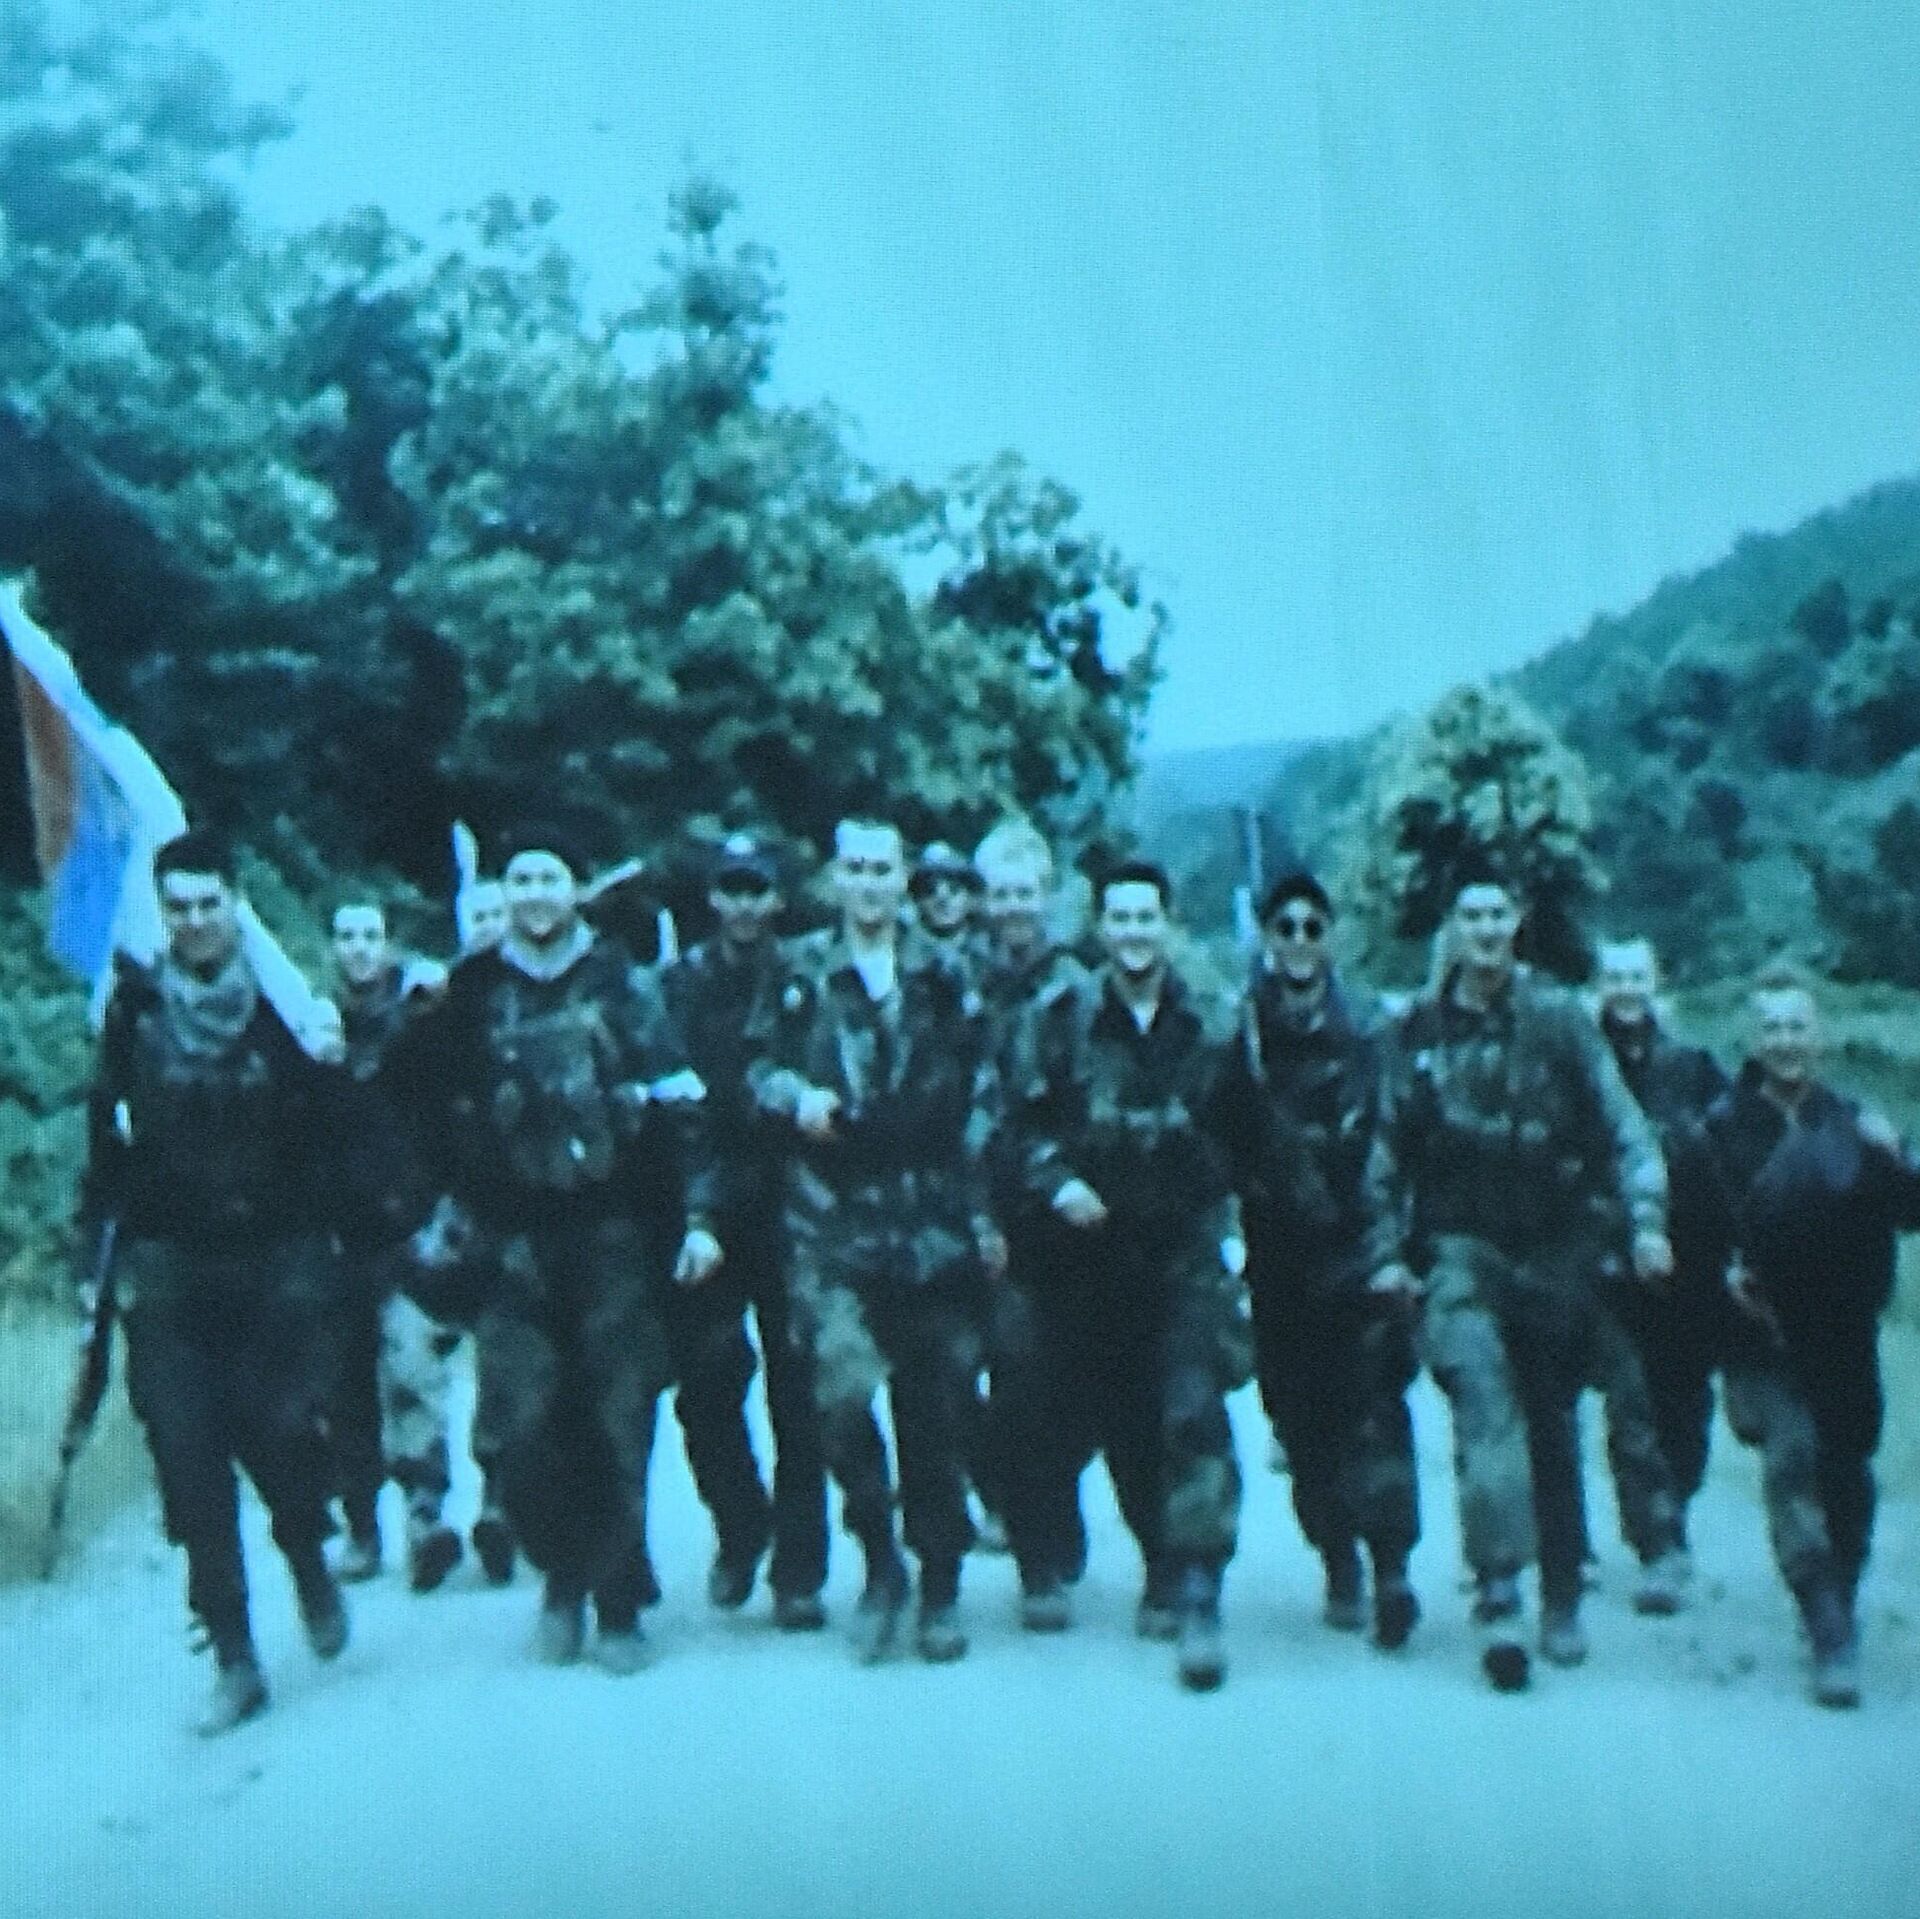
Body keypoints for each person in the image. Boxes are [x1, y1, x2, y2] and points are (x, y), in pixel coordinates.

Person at [402, 824, 721, 1673]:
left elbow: (681, 1105)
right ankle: (560, 1577)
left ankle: (616, 1601)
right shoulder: (471, 991)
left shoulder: (623, 984)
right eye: (521, 879)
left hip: (613, 1234)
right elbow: (418, 1101)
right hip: (510, 1243)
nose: (536, 895)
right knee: (524, 1424)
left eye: (551, 877)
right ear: (502, 892)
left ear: (577, 889)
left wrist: (697, 1218)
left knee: (618, 1418)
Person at [1364, 867, 1681, 1691]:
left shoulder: (1561, 1018)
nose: (1485, 929)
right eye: (1470, 914)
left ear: (1518, 922)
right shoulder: (1419, 1030)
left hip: (1553, 1250)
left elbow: (1625, 1127)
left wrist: (1646, 1221)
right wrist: (1386, 1252)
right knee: (1483, 1404)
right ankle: (1499, 1589)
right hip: (1460, 1249)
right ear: (1452, 925)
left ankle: (1561, 1593)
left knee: (1552, 1421)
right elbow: (1386, 1150)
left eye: (1498, 913)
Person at [75, 829, 350, 1736]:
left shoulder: (285, 1008)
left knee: (284, 1437)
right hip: (170, 1271)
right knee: (189, 1465)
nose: (194, 920)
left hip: (275, 1264)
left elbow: (335, 1132)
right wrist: (90, 1264)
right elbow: (105, 1145)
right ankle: (234, 1653)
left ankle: (308, 1557)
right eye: (179, 906)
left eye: (209, 903)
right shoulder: (133, 1010)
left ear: (236, 904)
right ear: (162, 912)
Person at [747, 818, 1000, 1665]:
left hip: (931, 1221)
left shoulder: (949, 973)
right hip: (833, 1222)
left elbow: (987, 1087)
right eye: (854, 867)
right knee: (840, 1394)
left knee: (938, 1409)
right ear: (835, 878)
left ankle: (940, 1581)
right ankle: (879, 1554)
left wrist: (980, 1211)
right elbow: (754, 1068)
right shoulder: (797, 971)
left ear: (903, 880)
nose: (869, 883)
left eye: (882, 869)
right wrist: (796, 1098)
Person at [1002, 860, 1251, 1691]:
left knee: (1190, 1411)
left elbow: (1251, 1131)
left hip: (1183, 1253)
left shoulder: (1214, 1021)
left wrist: (1238, 1226)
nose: (1134, 933)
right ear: (1101, 928)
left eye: (1148, 917)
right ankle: (1068, 1554)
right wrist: (1057, 1181)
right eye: (1120, 918)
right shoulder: (1060, 1016)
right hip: (1086, 1255)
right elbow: (1019, 1123)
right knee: (1086, 1415)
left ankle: (1195, 1585)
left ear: (1167, 924)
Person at [1214, 871, 1421, 1651]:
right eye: (1285, 927)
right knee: (1301, 1418)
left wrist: (1393, 1244)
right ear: (1267, 937)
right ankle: (1338, 1555)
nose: (1299, 940)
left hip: (1360, 1240)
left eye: (1312, 926)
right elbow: (1215, 1131)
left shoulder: (1369, 1026)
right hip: (1278, 1252)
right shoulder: (1239, 1029)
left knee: (1377, 1406)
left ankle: (1391, 1565)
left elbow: (1399, 1132)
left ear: (1330, 935)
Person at [1705, 964, 1920, 1707]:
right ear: (1751, 1040)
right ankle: (1825, 1621)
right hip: (1763, 1336)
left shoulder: (1857, 1122)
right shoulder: (1720, 1128)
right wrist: (1722, 1278)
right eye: (1772, 1028)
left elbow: (1910, 1211)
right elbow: (1694, 1225)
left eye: (1798, 1026)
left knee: (1848, 1470)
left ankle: (1840, 1593)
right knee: (1792, 1459)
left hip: (1845, 1332)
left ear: (1820, 1038)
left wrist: (1897, 1155)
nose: (1786, 1041)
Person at [660, 832, 830, 1631]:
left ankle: (800, 1570)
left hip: (792, 1201)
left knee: (800, 1391)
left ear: (778, 898)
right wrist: (690, 1208)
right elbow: (666, 1094)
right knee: (704, 1385)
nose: (743, 905)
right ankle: (740, 1524)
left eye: (757, 889)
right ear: (711, 897)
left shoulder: (807, 978)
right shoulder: (677, 984)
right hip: (705, 1202)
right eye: (730, 889)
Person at [325, 899, 514, 1593]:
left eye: (370, 934)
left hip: (498, 1216)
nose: (359, 947)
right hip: (405, 1223)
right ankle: (423, 1516)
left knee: (510, 1370)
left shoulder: (508, 1003)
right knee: (404, 1368)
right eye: (348, 934)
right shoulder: (402, 1016)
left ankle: (501, 1508)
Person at [970, 819, 1090, 1602]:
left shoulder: (1079, 985)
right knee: (1009, 1375)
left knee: (1073, 1382)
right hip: (985, 1206)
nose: (1014, 907)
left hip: (1067, 1207)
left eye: (1026, 892)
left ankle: (1045, 1509)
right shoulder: (959, 982)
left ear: (1046, 895)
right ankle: (1037, 1552)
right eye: (1001, 893)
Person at [1591, 937, 1731, 1604]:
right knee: (1631, 1399)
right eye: (1614, 976)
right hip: (1605, 1258)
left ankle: (1675, 1506)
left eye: (1637, 976)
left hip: (1687, 1260)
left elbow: (1729, 1148)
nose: (1626, 989)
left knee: (1686, 1398)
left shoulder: (1693, 1065)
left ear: (1657, 982)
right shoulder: (1581, 1057)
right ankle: (1657, 1541)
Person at [909, 841, 986, 969]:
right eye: (930, 890)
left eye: (954, 890)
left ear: (971, 898)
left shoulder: (988, 951)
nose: (942, 900)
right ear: (918, 900)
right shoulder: (899, 948)